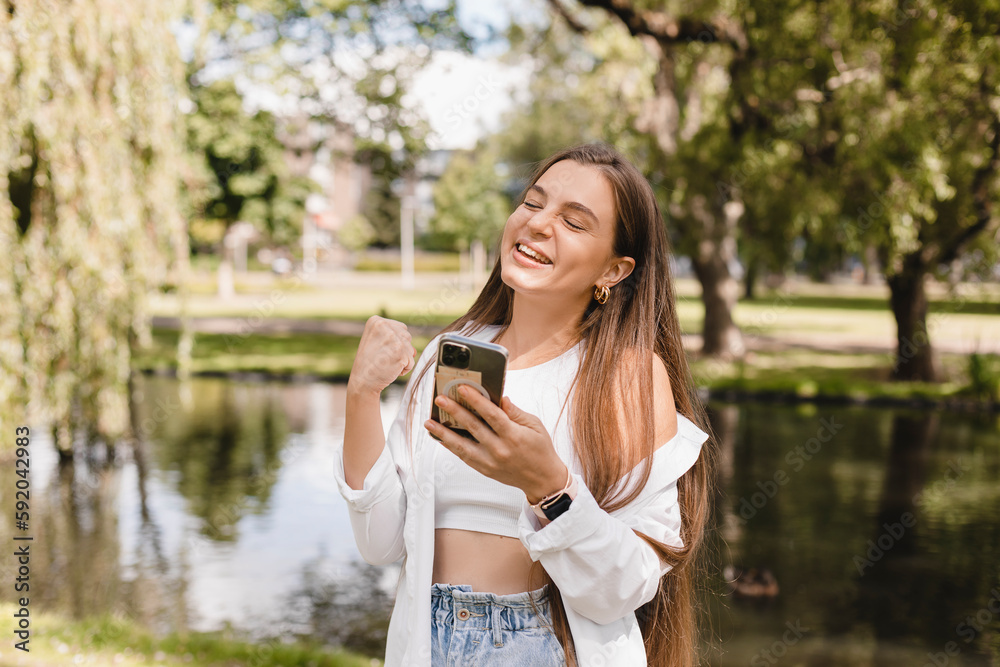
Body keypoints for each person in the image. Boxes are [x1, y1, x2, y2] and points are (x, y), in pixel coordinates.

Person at [334, 143, 715, 666]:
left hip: (544, 647)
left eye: (574, 222)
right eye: (533, 203)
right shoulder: (448, 356)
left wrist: (548, 487)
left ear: (614, 270)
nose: (538, 224)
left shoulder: (626, 375)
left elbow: (623, 589)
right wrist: (361, 395)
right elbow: (381, 545)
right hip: (426, 642)